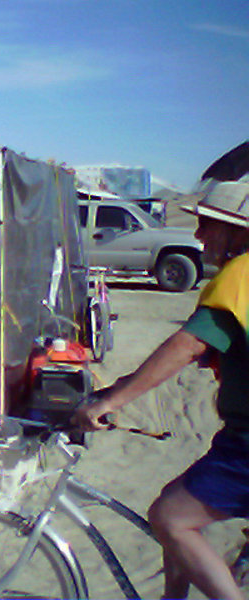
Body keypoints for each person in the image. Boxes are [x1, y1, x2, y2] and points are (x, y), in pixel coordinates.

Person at [75, 181, 249, 600]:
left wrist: (113, 401)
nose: (199, 235)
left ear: (240, 232)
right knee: (176, 509)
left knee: (170, 519)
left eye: (209, 225)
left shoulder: (241, 274)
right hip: (237, 440)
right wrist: (116, 388)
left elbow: (187, 346)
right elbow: (203, 353)